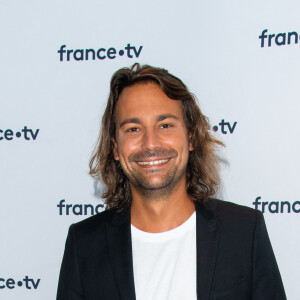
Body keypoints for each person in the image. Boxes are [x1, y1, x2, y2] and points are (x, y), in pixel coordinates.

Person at [57, 64, 286, 300]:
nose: (150, 144)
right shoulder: (84, 244)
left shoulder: (244, 232)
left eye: (165, 125)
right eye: (133, 129)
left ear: (191, 137)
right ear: (115, 148)